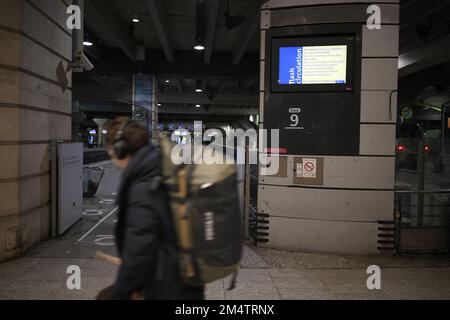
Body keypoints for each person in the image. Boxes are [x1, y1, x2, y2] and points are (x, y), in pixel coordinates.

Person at [104, 117, 204, 300]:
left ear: (120, 149)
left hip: (167, 286)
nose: (108, 152)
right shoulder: (160, 170)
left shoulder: (143, 188)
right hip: (185, 279)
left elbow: (139, 251)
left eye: (110, 146)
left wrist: (119, 294)